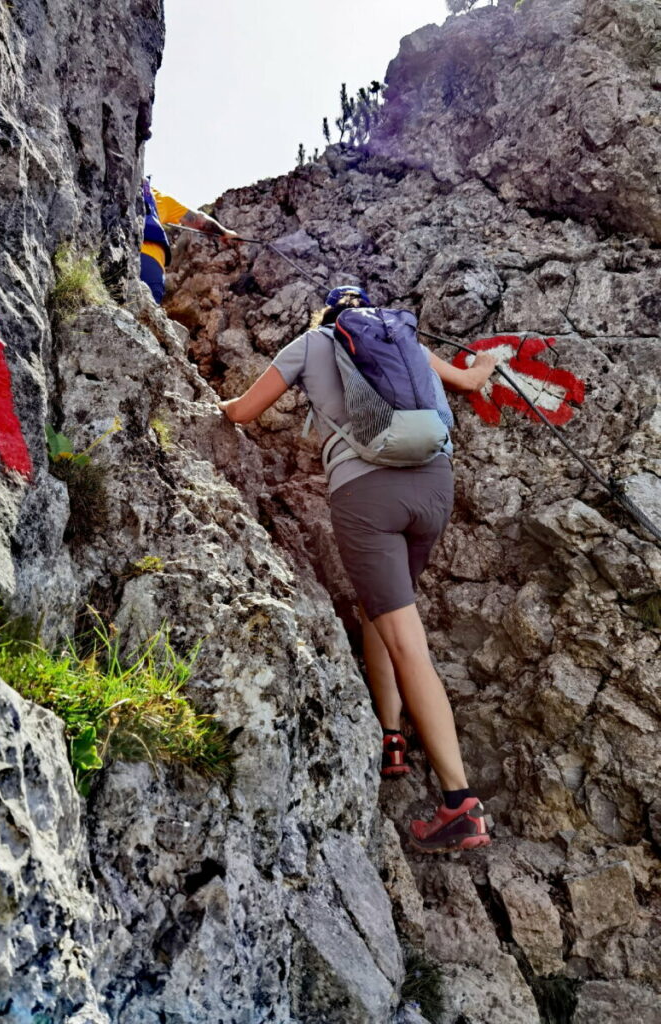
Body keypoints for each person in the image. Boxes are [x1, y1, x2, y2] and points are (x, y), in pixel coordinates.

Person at [218, 285, 497, 853]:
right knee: (382, 609)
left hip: (367, 496)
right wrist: (488, 362)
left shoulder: (313, 341)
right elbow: (469, 381)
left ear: (329, 314)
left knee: (405, 639)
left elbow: (243, 412)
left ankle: (459, 803)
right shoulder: (405, 341)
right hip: (435, 490)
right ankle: (392, 738)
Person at [140, 178, 239, 303]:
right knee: (144, 310)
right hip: (151, 261)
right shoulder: (158, 197)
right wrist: (226, 232)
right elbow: (200, 220)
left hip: (118, 251)